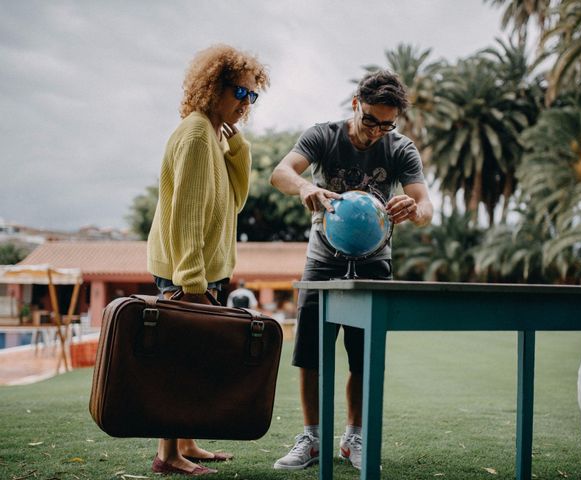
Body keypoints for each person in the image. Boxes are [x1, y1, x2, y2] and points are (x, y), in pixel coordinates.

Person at [270, 70, 433, 471]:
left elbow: (427, 206)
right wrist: (306, 187)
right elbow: (281, 173)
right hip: (322, 260)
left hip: (374, 265)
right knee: (310, 355)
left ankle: (354, 438)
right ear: (355, 104)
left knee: (364, 358)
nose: (378, 131)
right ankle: (312, 438)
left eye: (387, 124)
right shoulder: (323, 136)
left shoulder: (400, 148)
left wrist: (414, 210)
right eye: (371, 120)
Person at [146, 44, 269, 476]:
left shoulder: (214, 136)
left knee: (193, 358)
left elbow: (233, 202)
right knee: (180, 360)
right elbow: (187, 215)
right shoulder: (197, 134)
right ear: (212, 87)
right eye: (240, 92)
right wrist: (192, 282)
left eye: (253, 96)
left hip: (200, 270)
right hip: (186, 271)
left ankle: (188, 443)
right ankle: (168, 455)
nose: (246, 103)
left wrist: (239, 153)